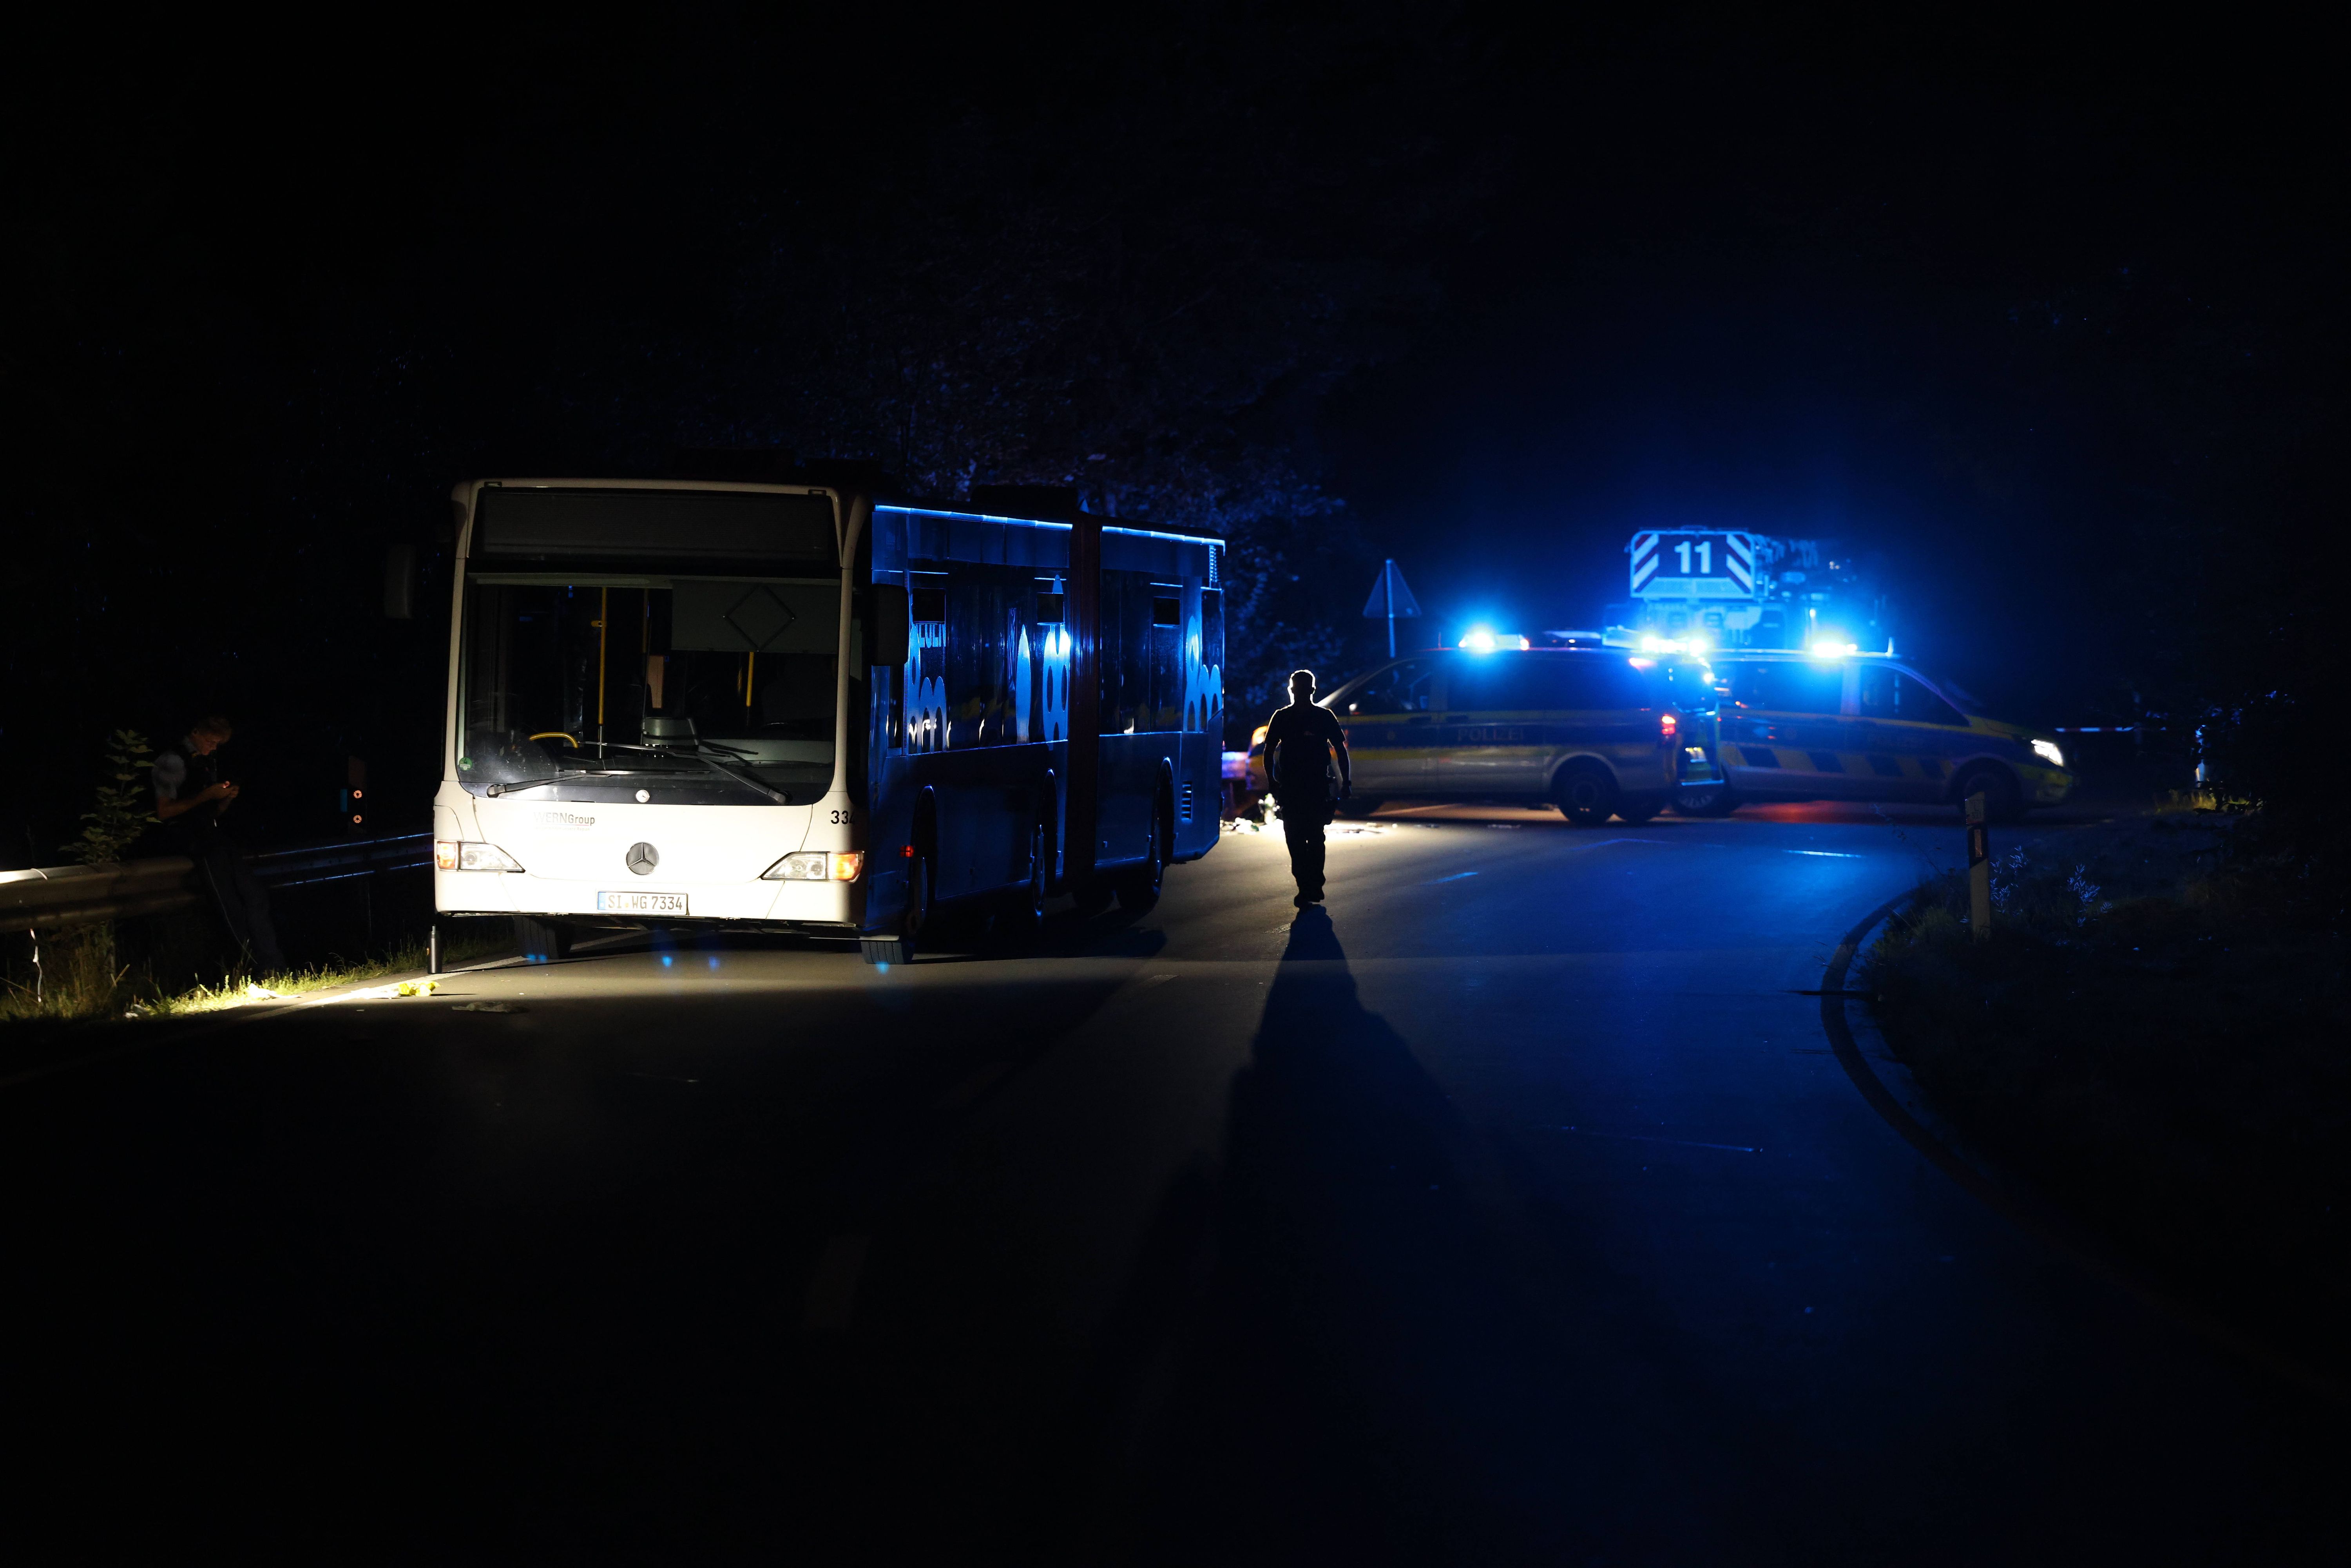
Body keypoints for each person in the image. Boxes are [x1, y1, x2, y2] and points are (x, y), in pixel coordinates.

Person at [154, 713, 285, 972]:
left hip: (213, 835)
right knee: (229, 905)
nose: (213, 748)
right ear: (197, 733)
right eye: (211, 742)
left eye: (218, 744)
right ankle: (255, 969)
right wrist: (205, 796)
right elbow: (165, 811)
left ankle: (274, 965)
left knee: (255, 895)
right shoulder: (172, 760)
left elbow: (210, 812)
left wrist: (224, 799)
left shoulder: (205, 761)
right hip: (192, 840)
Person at [1262, 668, 1351, 907]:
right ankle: (1310, 885)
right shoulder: (1321, 716)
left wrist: (1273, 782)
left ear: (1297, 690)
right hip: (1309, 787)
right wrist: (1346, 783)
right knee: (1309, 838)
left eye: (1299, 689)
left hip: (1301, 787)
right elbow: (1340, 751)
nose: (1298, 692)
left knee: (1300, 838)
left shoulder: (1286, 717)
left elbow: (1269, 752)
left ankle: (1308, 886)